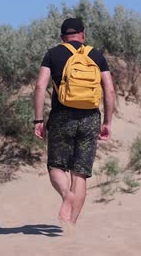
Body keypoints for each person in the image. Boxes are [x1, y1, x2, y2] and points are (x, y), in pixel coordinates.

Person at [33, 17, 115, 227]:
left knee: (56, 166)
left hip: (62, 117)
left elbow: (40, 87)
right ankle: (70, 225)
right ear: (83, 35)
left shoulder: (53, 53)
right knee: (80, 173)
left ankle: (66, 195)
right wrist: (107, 121)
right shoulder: (96, 55)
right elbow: (109, 89)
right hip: (90, 118)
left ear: (62, 37)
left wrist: (39, 119)